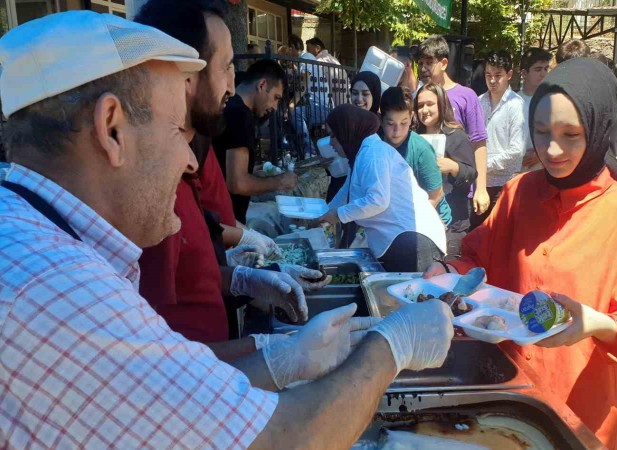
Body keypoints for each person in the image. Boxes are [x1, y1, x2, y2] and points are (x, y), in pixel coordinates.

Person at [0, 11, 455, 449]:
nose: (191, 160)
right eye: (177, 131)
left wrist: (279, 356)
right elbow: (285, 439)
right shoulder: (58, 291)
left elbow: (171, 378)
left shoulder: (37, 241)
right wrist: (391, 347)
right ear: (112, 129)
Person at [425, 58, 617, 450]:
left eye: (571, 134)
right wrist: (446, 268)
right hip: (514, 386)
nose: (552, 149)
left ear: (599, 127)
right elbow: (478, 257)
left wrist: (595, 324)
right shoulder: (521, 192)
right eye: (541, 131)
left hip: (587, 394)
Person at [136, 0, 324, 344]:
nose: (232, 85)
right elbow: (161, 333)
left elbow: (192, 275)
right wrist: (270, 355)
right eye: (226, 67)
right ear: (185, 75)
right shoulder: (149, 191)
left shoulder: (194, 153)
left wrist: (243, 277)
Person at [315, 104, 447, 272]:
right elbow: (345, 193)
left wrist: (336, 215)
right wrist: (322, 216)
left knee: (412, 295)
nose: (330, 142)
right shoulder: (360, 154)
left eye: (333, 135)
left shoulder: (374, 153)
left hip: (412, 241)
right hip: (401, 240)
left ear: (346, 131)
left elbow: (377, 200)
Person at [212, 59, 298, 223]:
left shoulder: (229, 106)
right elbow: (237, 183)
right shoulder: (240, 115)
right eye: (275, 97)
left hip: (220, 217)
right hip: (225, 220)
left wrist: (254, 169)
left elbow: (223, 164)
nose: (274, 106)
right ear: (262, 85)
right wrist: (280, 181)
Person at [417, 35, 490, 220]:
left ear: (443, 63)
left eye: (429, 62)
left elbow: (478, 142)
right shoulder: (419, 97)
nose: (423, 68)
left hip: (457, 192)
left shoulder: (467, 96)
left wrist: (481, 188)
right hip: (426, 194)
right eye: (420, 63)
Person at [416, 83, 477, 257]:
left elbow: (472, 173)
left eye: (430, 104)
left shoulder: (456, 136)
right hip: (423, 221)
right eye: (420, 106)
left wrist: (454, 167)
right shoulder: (414, 137)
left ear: (441, 104)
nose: (424, 110)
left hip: (452, 223)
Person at [379, 86, 451, 226]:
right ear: (381, 119)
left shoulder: (421, 149)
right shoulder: (376, 145)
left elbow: (436, 195)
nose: (397, 131)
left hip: (429, 217)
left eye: (404, 123)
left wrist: (409, 223)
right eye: (390, 123)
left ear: (411, 117)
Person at [474, 50, 525, 228]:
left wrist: (486, 165)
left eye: (498, 75)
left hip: (504, 183)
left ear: (509, 74)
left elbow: (517, 149)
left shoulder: (515, 104)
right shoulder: (479, 101)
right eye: (488, 75)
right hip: (480, 182)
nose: (492, 81)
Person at [517, 47, 552, 171]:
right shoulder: (513, 101)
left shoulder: (553, 101)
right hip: (515, 169)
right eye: (538, 69)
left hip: (543, 168)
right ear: (524, 73)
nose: (543, 73)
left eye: (546, 69)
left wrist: (539, 155)